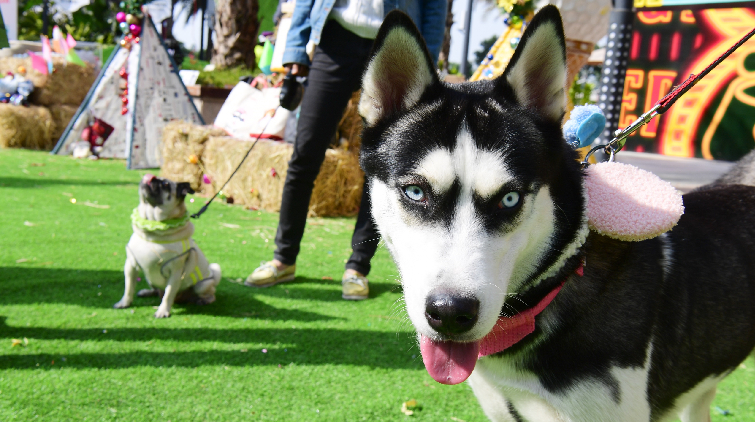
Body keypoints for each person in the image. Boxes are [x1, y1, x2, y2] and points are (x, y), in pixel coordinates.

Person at [245, 0, 447, 299]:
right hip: (334, 40)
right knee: (305, 154)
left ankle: (358, 268)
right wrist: (296, 50)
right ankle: (283, 259)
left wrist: (424, 59)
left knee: (381, 167)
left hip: (394, 47)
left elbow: (434, 5)